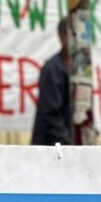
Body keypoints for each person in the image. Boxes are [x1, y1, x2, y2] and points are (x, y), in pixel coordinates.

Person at [31, 17, 72, 145]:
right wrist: (70, 146)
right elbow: (51, 117)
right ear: (62, 36)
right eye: (72, 34)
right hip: (52, 151)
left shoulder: (77, 69)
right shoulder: (52, 69)